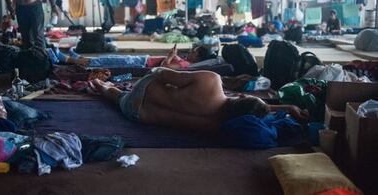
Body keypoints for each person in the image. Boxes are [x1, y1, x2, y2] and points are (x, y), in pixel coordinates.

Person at [91, 68, 309, 133]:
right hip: (136, 112)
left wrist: (163, 68)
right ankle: (104, 89)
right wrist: (288, 107)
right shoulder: (219, 126)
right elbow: (252, 109)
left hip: (146, 88)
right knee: (118, 97)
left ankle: (100, 84)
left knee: (156, 79)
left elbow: (163, 75)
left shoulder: (211, 82)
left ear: (242, 95)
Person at [46, 45, 213, 70]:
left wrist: (170, 56)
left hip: (140, 65)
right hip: (142, 59)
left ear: (197, 55)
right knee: (110, 57)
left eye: (194, 50)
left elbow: (164, 68)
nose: (191, 51)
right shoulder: (186, 62)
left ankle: (64, 59)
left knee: (103, 61)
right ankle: (78, 57)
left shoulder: (186, 66)